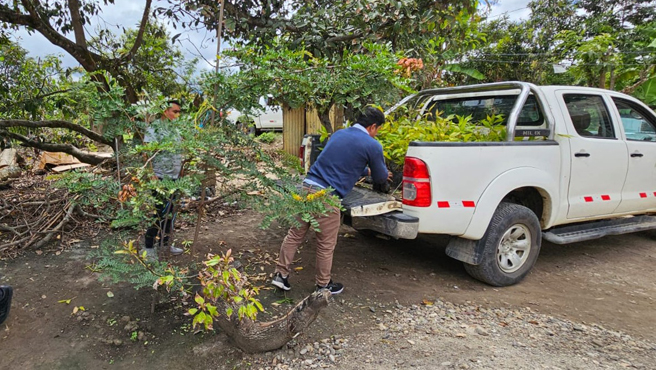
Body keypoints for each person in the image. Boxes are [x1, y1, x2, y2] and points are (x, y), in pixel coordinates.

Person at [272, 107, 391, 295]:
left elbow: (339, 161)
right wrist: (380, 172)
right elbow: (380, 177)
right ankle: (323, 285)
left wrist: (364, 171)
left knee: (294, 234)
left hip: (306, 188)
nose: (376, 134)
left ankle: (280, 275)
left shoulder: (338, 135)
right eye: (377, 130)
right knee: (325, 243)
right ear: (373, 126)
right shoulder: (372, 145)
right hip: (327, 196)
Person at [143, 100, 185, 261]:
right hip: (160, 177)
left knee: (171, 213)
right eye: (175, 111)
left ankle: (166, 244)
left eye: (179, 112)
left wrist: (181, 171)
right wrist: (151, 174)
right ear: (164, 111)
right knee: (160, 212)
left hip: (175, 178)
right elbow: (146, 153)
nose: (177, 115)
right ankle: (148, 246)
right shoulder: (154, 128)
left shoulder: (175, 129)